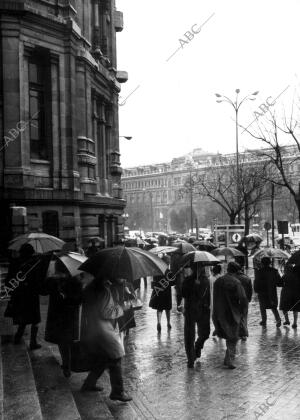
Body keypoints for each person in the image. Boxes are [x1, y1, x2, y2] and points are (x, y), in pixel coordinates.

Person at [80, 278, 132, 401]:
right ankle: (117, 392)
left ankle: (89, 384)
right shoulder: (104, 290)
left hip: (92, 327)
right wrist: (122, 308)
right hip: (103, 329)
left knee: (103, 357)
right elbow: (106, 312)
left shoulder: (90, 287)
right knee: (116, 355)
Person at [44, 262, 82, 377]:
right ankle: (68, 365)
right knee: (66, 341)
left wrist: (66, 297)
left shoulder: (69, 281)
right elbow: (79, 300)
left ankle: (67, 366)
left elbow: (43, 291)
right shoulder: (72, 281)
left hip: (61, 317)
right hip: (66, 316)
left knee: (64, 342)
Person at [5, 243, 43, 350]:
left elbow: (8, 281)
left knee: (23, 317)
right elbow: (38, 280)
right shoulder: (34, 264)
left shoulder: (15, 263)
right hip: (31, 295)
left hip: (19, 295)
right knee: (34, 319)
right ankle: (33, 342)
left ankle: (18, 337)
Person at [213, 263, 248, 369]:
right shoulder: (236, 282)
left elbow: (214, 296)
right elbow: (243, 298)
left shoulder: (218, 281)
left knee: (229, 335)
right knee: (234, 336)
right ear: (236, 271)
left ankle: (227, 359)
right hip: (233, 313)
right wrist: (242, 310)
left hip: (219, 311)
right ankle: (230, 360)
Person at [182, 263, 210, 368]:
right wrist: (193, 285)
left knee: (205, 333)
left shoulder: (205, 280)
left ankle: (197, 346)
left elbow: (207, 295)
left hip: (203, 309)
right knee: (189, 336)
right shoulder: (188, 280)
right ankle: (190, 358)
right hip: (190, 310)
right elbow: (183, 293)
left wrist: (199, 286)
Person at [254, 257, 282, 328]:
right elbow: (279, 283)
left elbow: (256, 282)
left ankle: (264, 321)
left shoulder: (259, 271)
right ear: (270, 263)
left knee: (262, 307)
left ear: (262, 263)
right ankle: (278, 320)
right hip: (272, 292)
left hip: (262, 292)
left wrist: (256, 290)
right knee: (273, 307)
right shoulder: (274, 271)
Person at [149, 254, 173, 332]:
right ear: (167, 262)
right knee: (167, 308)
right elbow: (172, 282)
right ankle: (168, 322)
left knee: (159, 308)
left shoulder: (157, 271)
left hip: (159, 291)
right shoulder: (168, 271)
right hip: (167, 292)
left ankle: (159, 322)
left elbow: (154, 280)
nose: (169, 263)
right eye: (168, 262)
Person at [230, 262, 252, 341]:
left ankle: (240, 333)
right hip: (244, 300)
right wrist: (248, 299)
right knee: (244, 316)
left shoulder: (231, 278)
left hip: (234, 300)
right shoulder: (247, 278)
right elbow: (250, 291)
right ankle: (243, 333)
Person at [279, 264, 300, 328]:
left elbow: (280, 284)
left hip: (286, 293)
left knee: (284, 307)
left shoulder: (285, 276)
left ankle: (287, 320)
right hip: (296, 293)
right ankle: (295, 323)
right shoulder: (297, 276)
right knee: (295, 308)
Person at [210, 264, 222, 336]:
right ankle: (218, 328)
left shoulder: (210, 278)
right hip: (220, 299)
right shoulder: (222, 278)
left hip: (212, 299)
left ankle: (216, 328)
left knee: (213, 315)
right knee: (220, 315)